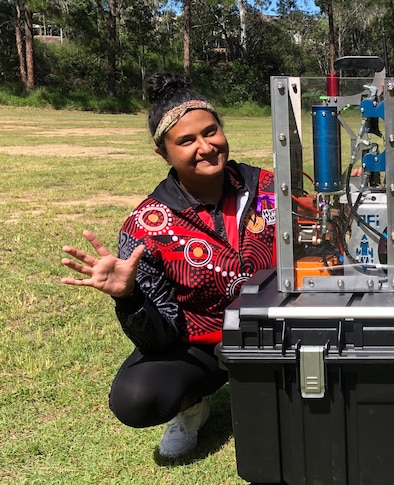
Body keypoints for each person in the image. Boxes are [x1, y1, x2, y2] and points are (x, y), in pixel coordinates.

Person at [60, 73, 277, 458]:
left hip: (281, 333)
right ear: (163, 152)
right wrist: (128, 298)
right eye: (187, 140)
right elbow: (159, 338)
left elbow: (321, 234)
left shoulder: (270, 187)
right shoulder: (146, 226)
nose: (206, 147)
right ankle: (191, 407)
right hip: (208, 348)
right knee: (136, 396)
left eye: (211, 132)